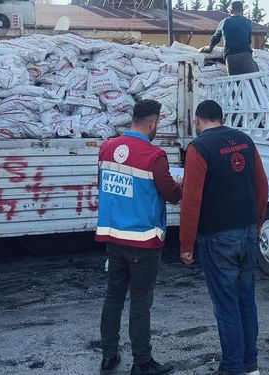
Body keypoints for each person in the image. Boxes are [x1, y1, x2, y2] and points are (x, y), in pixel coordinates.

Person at [179, 100, 269, 375]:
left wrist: (186, 244)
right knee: (246, 302)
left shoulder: (199, 148)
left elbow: (191, 199)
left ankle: (232, 367)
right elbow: (262, 186)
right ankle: (250, 365)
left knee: (226, 305)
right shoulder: (244, 140)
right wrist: (256, 224)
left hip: (218, 238)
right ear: (222, 117)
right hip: (246, 232)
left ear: (197, 120)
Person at [96, 99, 182, 375]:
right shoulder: (154, 155)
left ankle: (109, 355)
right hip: (143, 241)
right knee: (141, 302)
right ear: (153, 123)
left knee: (113, 297)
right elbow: (171, 194)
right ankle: (142, 362)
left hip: (113, 237)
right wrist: (180, 184)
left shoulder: (107, 148)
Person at [200, 1, 260, 75]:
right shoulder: (247, 22)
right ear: (242, 11)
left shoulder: (224, 22)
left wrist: (209, 49)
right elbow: (248, 41)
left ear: (230, 11)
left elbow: (215, 39)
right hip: (246, 56)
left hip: (231, 58)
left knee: (236, 84)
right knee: (253, 82)